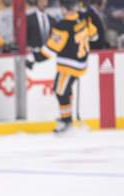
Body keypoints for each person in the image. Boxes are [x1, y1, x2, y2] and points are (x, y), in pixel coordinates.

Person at [26, 0, 98, 133]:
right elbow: (94, 35)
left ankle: (66, 121)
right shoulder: (83, 17)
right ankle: (67, 118)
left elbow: (51, 49)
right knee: (64, 90)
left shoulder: (63, 25)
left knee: (60, 91)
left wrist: (34, 59)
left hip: (69, 65)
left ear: (64, 8)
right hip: (81, 62)